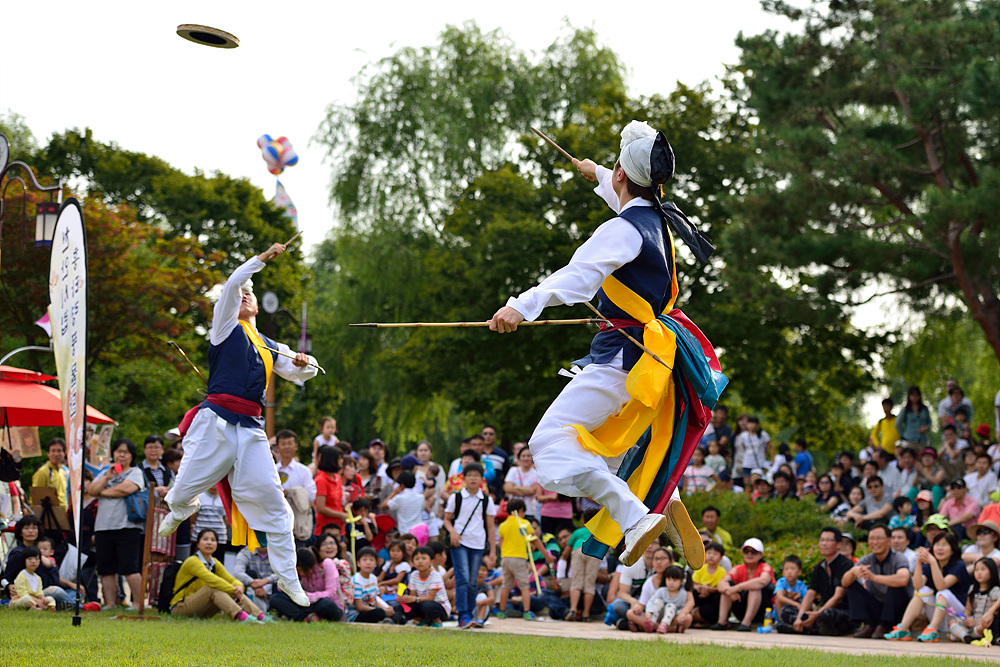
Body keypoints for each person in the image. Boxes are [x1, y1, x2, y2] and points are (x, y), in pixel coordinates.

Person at [488, 120, 721, 569]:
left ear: (622, 175)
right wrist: (596, 172)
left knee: (549, 445)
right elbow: (628, 200)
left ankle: (635, 516)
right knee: (600, 445)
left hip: (620, 358)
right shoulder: (658, 220)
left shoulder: (623, 230)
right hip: (651, 359)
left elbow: (577, 277)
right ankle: (663, 496)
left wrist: (520, 306)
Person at [159, 242, 320, 607]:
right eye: (242, 292)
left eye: (251, 293)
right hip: (215, 422)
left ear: (258, 307)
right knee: (182, 491)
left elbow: (305, 372)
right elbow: (233, 283)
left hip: (250, 430)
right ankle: (182, 507)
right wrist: (262, 259)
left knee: (277, 505)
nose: (245, 294)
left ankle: (288, 577)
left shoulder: (269, 344)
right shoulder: (223, 327)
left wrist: (304, 361)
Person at [87, 437, 146, 609]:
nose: (121, 455)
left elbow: (125, 489)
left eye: (125, 452)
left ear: (132, 455)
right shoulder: (106, 471)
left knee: (129, 567)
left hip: (127, 526)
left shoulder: (135, 472)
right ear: (113, 453)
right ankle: (110, 603)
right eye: (118, 451)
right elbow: (91, 490)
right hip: (103, 525)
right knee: (106, 568)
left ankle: (138, 603)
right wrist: (107, 478)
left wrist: (102, 493)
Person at [886, 531, 970, 641]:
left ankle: (932, 629)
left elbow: (941, 586)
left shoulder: (958, 565)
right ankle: (904, 628)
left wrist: (933, 562)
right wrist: (919, 562)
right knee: (923, 590)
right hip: (939, 617)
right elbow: (917, 586)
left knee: (943, 593)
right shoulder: (929, 565)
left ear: (953, 549)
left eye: (944, 545)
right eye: (937, 544)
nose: (940, 548)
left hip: (957, 618)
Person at [170, 528, 267, 622]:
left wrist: (239, 586)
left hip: (202, 609)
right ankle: (241, 616)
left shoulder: (214, 562)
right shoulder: (192, 561)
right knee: (213, 587)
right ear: (198, 544)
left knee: (225, 587)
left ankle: (260, 616)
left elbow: (231, 579)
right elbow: (213, 580)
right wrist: (234, 590)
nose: (209, 543)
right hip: (180, 608)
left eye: (213, 540)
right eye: (205, 539)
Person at [442, 462, 496, 628]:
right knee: (463, 579)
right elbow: (446, 519)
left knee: (473, 581)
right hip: (459, 542)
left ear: (482, 479)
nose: (473, 478)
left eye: (476, 475)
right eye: (470, 475)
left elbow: (490, 527)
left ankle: (470, 613)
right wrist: (452, 532)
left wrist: (493, 551)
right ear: (464, 478)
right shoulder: (456, 497)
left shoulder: (486, 500)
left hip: (478, 544)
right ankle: (463, 615)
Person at [841, 525, 912, 638]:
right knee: (852, 584)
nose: (875, 542)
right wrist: (853, 571)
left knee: (895, 585)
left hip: (898, 610)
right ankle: (869, 625)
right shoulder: (867, 559)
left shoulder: (899, 557)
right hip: (878, 607)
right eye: (871, 538)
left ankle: (884, 626)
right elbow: (844, 583)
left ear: (889, 540)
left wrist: (874, 577)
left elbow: (903, 579)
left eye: (879, 538)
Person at [784, 528, 853, 636]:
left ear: (839, 544)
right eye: (822, 540)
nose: (824, 544)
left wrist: (817, 614)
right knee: (786, 611)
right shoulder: (819, 567)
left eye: (828, 540)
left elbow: (838, 597)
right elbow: (810, 594)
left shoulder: (846, 564)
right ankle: (808, 626)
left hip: (841, 612)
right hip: (822, 612)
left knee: (827, 615)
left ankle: (809, 628)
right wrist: (800, 617)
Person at [713, 538, 775, 631]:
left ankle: (746, 623)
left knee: (755, 588)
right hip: (741, 608)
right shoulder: (738, 568)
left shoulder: (765, 567)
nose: (749, 554)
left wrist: (737, 588)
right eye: (746, 551)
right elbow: (721, 583)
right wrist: (729, 591)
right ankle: (722, 622)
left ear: (761, 554)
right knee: (727, 587)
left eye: (753, 552)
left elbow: (763, 581)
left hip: (765, 612)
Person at [270, 548, 343, 622]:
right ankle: (306, 617)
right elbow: (280, 588)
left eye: (300, 570)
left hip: (326, 603)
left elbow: (331, 592)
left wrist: (309, 595)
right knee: (275, 598)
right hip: (308, 605)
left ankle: (298, 616)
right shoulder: (300, 574)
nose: (300, 573)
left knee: (325, 604)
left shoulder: (326, 564)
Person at [496, 499, 537, 619]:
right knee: (524, 586)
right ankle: (527, 611)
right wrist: (546, 554)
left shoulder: (503, 525)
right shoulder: (525, 523)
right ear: (520, 510)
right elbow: (534, 539)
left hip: (505, 558)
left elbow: (501, 543)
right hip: (519, 558)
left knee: (506, 585)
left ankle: (501, 611)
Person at [609, 542, 658, 628]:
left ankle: (633, 624)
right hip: (635, 603)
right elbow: (622, 593)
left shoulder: (663, 565)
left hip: (654, 603)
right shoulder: (631, 563)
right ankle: (643, 623)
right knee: (617, 605)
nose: (649, 546)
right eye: (647, 541)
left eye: (654, 543)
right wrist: (633, 602)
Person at [400, 545, 450, 626]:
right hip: (422, 603)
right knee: (405, 605)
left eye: (423, 558)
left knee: (427, 605)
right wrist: (405, 599)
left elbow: (431, 597)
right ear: (413, 562)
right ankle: (422, 620)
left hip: (439, 607)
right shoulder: (414, 575)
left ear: (431, 562)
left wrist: (413, 599)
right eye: (417, 559)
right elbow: (413, 596)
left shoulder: (435, 575)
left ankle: (436, 621)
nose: (420, 561)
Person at [953, 558, 1000, 643]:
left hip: (983, 623)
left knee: (983, 626)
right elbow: (968, 609)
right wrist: (965, 618)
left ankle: (961, 634)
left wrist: (976, 622)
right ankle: (965, 636)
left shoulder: (994, 590)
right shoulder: (972, 589)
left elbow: (994, 613)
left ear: (992, 572)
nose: (979, 573)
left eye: (983, 569)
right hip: (972, 622)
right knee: (952, 621)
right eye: (976, 570)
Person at [566, 510, 602, 621]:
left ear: (583, 521)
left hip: (578, 550)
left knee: (576, 582)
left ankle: (573, 609)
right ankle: (586, 614)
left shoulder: (578, 532)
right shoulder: (600, 532)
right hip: (594, 552)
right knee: (589, 584)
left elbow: (567, 550)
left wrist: (563, 558)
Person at [352, 547, 394, 624]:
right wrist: (383, 610)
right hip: (357, 615)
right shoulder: (356, 580)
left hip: (372, 609)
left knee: (393, 609)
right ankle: (384, 620)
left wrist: (386, 609)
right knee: (380, 612)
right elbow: (359, 607)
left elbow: (375, 599)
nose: (368, 563)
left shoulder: (374, 578)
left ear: (375, 564)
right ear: (358, 563)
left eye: (371, 560)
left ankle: (390, 620)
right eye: (364, 560)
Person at [691, 542, 727, 627]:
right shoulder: (700, 568)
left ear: (721, 558)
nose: (711, 556)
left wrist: (709, 590)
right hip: (700, 594)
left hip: (712, 596)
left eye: (715, 554)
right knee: (692, 593)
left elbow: (719, 587)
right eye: (709, 553)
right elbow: (695, 584)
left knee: (718, 597)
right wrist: (699, 589)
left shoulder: (722, 571)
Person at [232, 544, 277, 611]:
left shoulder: (278, 552)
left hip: (273, 589)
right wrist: (253, 583)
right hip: (251, 589)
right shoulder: (246, 552)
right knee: (250, 573)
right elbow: (237, 573)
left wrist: (265, 581)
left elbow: (285, 573)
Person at [314, 445, 346, 537]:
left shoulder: (337, 478)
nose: (342, 461)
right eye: (339, 458)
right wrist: (340, 515)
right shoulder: (321, 480)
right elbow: (321, 508)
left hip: (339, 528)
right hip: (326, 529)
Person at [503, 446, 540, 519]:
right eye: (523, 456)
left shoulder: (536, 473)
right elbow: (507, 488)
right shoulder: (513, 470)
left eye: (528, 456)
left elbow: (533, 491)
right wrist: (526, 490)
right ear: (519, 457)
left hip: (529, 511)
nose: (526, 458)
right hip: (513, 510)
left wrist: (516, 487)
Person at [383, 470, 424, 535]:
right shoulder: (421, 497)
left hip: (405, 533)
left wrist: (394, 493)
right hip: (418, 532)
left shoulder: (399, 498)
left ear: (402, 485)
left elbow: (383, 506)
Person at [31, 438, 68, 508]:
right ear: (48, 454)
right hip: (50, 512)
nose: (56, 454)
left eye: (59, 451)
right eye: (53, 451)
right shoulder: (43, 472)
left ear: (64, 454)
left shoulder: (62, 472)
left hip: (64, 511)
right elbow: (35, 498)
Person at [774, 555, 808, 624]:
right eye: (786, 569)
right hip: (781, 611)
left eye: (792, 569)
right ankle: (781, 621)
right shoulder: (781, 582)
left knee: (810, 603)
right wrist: (796, 604)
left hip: (795, 612)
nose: (789, 572)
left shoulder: (801, 585)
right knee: (778, 598)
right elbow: (780, 597)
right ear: (783, 573)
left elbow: (807, 598)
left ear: (799, 572)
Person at [139, 435, 172, 499]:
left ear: (162, 450)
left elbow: (174, 486)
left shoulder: (168, 470)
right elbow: (136, 491)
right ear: (144, 450)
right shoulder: (138, 469)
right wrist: (155, 491)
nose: (153, 450)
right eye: (150, 447)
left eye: (157, 447)